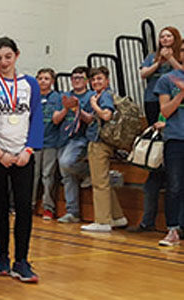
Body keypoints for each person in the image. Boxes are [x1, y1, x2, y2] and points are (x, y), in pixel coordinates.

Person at [0, 37, 42, 282]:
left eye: (7, 56)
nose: (3, 62)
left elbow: (37, 117)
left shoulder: (31, 84)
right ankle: (3, 258)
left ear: (16, 55)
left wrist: (28, 150)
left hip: (23, 156)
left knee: (24, 208)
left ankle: (22, 261)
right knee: (1, 207)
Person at [130, 26, 181, 233]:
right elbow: (143, 73)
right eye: (162, 36)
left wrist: (171, 60)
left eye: (169, 36)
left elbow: (181, 71)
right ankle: (150, 221)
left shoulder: (178, 56)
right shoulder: (152, 55)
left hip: (175, 113)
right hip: (154, 102)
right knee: (156, 169)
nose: (165, 39)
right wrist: (159, 62)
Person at [80, 66, 128, 232]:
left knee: (99, 183)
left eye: (99, 79)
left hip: (100, 142)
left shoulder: (104, 96)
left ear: (107, 80)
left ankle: (102, 221)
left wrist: (94, 105)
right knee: (103, 181)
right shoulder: (100, 95)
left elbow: (106, 115)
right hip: (99, 140)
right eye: (93, 80)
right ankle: (117, 217)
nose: (96, 82)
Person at [54, 66, 95, 224]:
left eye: (80, 77)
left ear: (86, 80)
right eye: (74, 77)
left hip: (80, 138)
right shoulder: (64, 96)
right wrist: (66, 108)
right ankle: (73, 212)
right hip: (63, 138)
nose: (76, 80)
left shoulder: (91, 96)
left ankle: (88, 173)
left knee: (67, 163)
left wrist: (78, 109)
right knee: (66, 175)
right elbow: (56, 119)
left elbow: (91, 119)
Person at [156, 67, 184, 246]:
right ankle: (172, 229)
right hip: (175, 138)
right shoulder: (168, 78)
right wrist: (181, 94)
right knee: (174, 186)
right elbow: (165, 112)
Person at [34, 68, 65, 220]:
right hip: (34, 142)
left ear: (52, 81)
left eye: (46, 78)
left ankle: (48, 208)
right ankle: (30, 204)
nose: (43, 81)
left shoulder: (57, 98)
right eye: (40, 78)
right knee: (33, 175)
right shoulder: (32, 97)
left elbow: (56, 119)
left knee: (48, 175)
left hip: (51, 141)